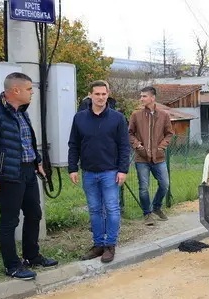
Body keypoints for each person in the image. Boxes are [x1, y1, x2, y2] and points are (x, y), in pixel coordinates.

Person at [0, 72, 58, 280]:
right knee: (9, 221)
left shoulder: (22, 112)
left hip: (28, 171)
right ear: (16, 90)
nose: (32, 93)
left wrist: (37, 161)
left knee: (34, 214)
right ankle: (12, 266)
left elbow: (27, 141)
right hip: (8, 174)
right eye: (29, 89)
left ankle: (32, 256)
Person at [68, 80, 131, 263]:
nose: (101, 97)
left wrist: (123, 170)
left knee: (112, 209)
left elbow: (124, 146)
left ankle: (110, 245)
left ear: (108, 95)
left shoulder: (117, 118)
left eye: (104, 94)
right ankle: (98, 245)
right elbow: (74, 144)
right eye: (97, 94)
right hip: (89, 172)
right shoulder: (79, 118)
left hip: (110, 172)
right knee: (95, 210)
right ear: (90, 95)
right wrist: (72, 168)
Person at [128, 86, 174, 226]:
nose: (141, 99)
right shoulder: (136, 115)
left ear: (152, 98)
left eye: (144, 96)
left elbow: (169, 134)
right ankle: (147, 214)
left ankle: (156, 207)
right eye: (141, 96)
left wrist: (161, 147)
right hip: (141, 158)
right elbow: (129, 133)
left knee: (165, 184)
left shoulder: (164, 115)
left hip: (158, 157)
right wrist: (138, 146)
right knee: (143, 188)